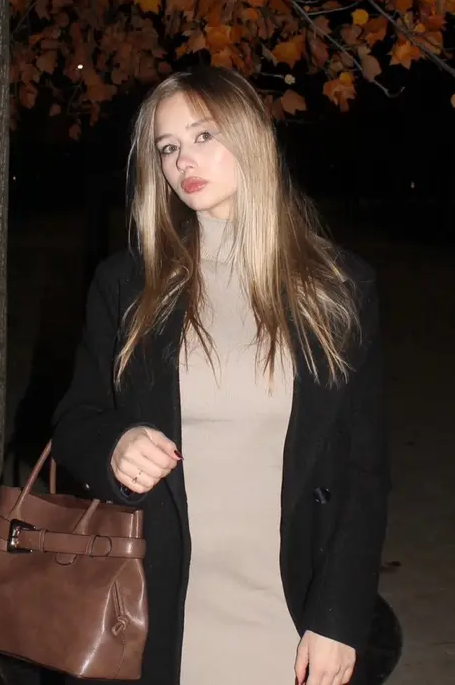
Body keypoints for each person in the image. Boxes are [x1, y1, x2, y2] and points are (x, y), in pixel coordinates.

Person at [52, 67, 390, 685]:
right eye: (168, 147)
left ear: (250, 136)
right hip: (160, 602)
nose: (184, 161)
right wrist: (115, 445)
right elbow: (77, 419)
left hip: (291, 604)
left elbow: (363, 471)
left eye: (203, 135)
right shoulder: (128, 285)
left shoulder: (337, 288)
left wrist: (340, 617)